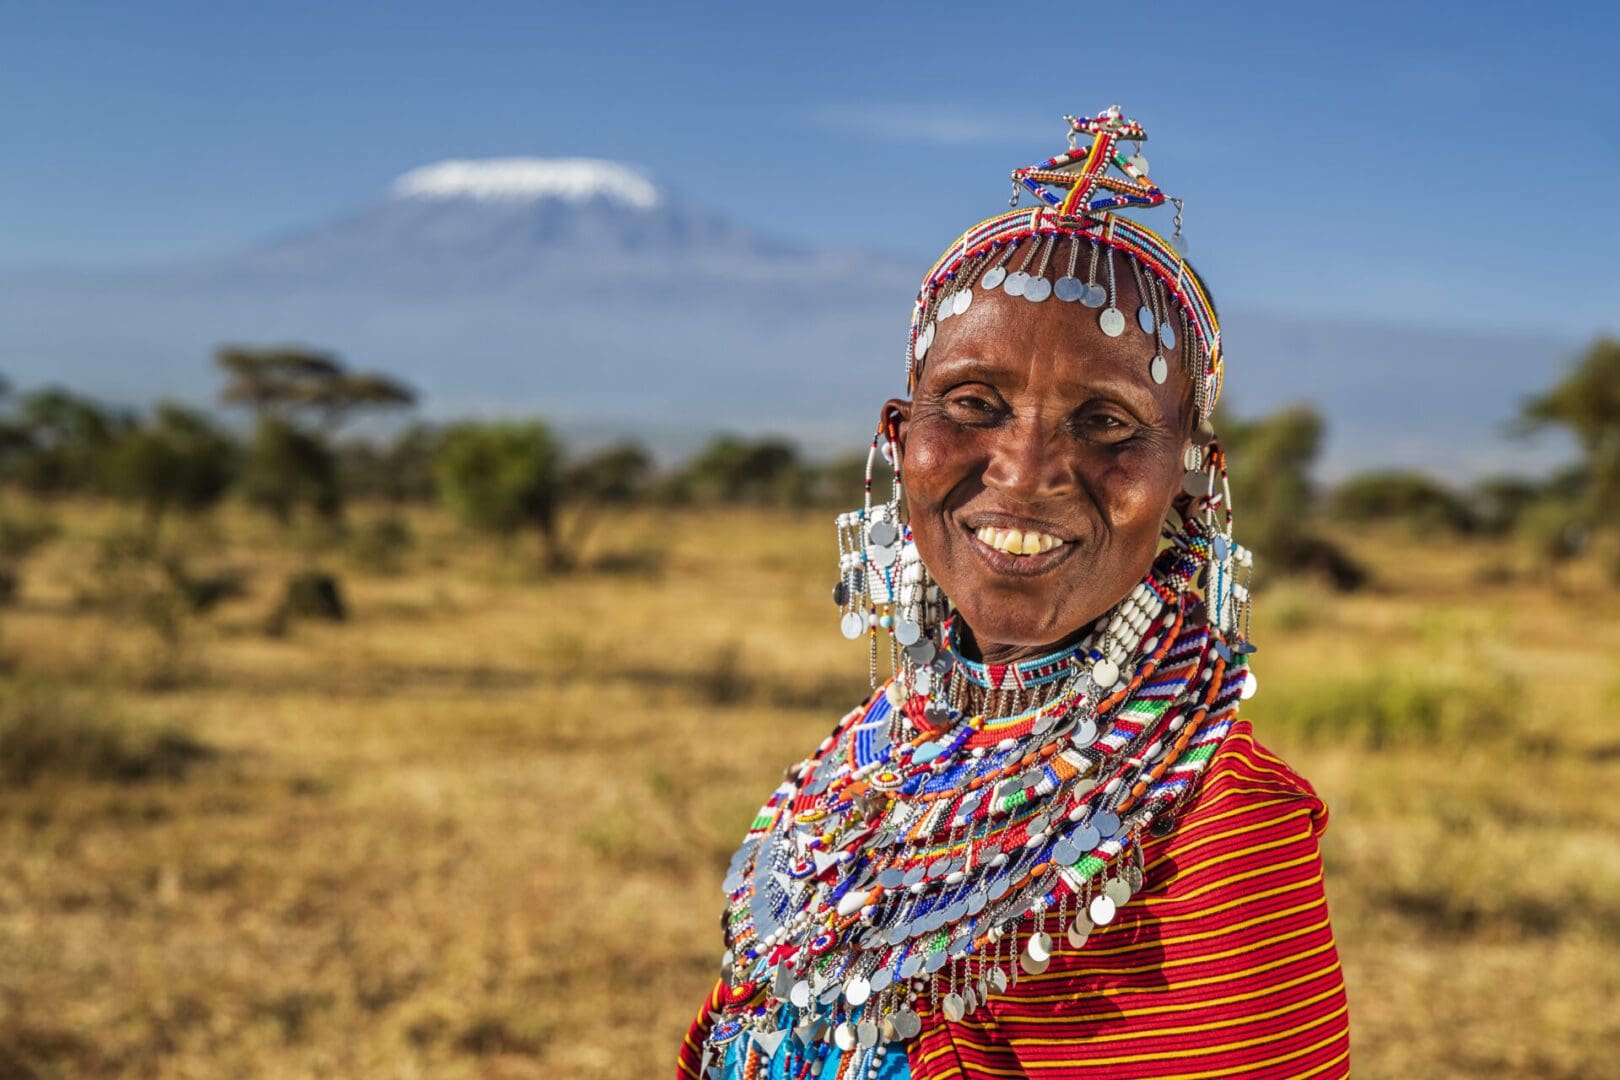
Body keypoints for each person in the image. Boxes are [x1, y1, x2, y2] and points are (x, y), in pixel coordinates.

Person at [678, 106, 1349, 1080]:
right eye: (975, 406)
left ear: (1192, 477)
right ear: (898, 437)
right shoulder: (884, 749)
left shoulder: (1216, 833)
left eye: (1107, 421)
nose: (1028, 469)